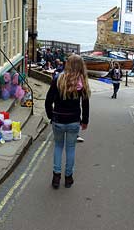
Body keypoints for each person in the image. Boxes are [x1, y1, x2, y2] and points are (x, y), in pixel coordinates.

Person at [45, 54, 90, 189]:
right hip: (73, 121)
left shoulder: (58, 79)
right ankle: (68, 178)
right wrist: (85, 121)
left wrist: (50, 116)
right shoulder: (82, 82)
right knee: (70, 149)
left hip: (58, 119)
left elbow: (48, 101)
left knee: (58, 147)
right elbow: (86, 104)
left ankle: (56, 178)